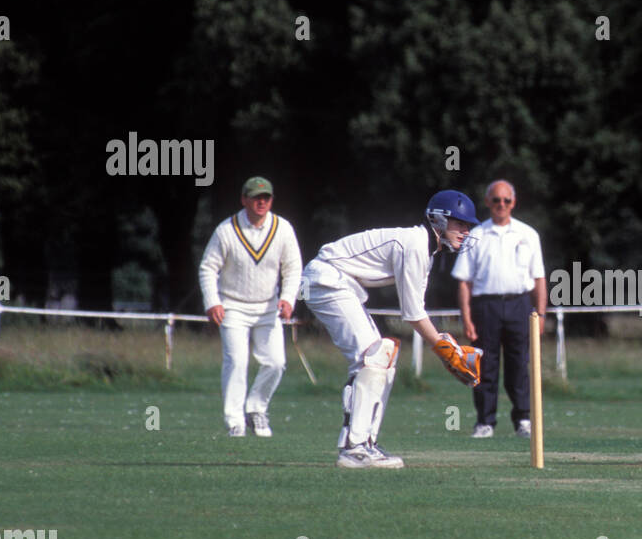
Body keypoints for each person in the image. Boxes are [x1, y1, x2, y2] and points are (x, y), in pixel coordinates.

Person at [300, 190, 484, 468]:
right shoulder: (413, 245)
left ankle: (365, 444)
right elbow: (411, 314)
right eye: (460, 224)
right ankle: (355, 448)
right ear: (439, 220)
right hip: (326, 279)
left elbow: (415, 312)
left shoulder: (425, 251)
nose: (465, 232)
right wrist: (446, 350)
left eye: (468, 226)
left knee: (383, 357)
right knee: (372, 357)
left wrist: (447, 346)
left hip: (340, 284)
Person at [198, 176, 303, 437]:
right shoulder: (226, 230)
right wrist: (213, 302)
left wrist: (288, 298)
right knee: (236, 361)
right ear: (244, 199)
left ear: (271, 200)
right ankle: (235, 420)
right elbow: (208, 268)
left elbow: (293, 268)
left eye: (266, 197)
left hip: (269, 308)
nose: (261, 202)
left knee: (276, 362)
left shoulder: (283, 229)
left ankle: (256, 408)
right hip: (232, 306)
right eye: (256, 197)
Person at [452, 180, 547, 439]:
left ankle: (524, 421)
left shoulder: (528, 235)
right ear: (488, 203)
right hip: (486, 307)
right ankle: (485, 422)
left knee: (520, 365)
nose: (501, 205)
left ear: (513, 203)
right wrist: (467, 318)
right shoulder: (476, 235)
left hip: (519, 305)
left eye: (506, 200)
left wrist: (541, 315)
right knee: (484, 365)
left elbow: (539, 279)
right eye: (496, 200)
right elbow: (464, 281)